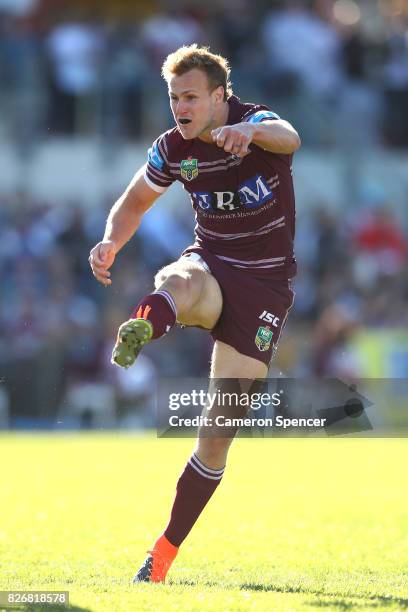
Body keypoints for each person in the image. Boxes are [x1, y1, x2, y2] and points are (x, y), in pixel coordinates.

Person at [89, 44, 300, 583]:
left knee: (217, 431)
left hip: (265, 286)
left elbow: (290, 136)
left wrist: (250, 134)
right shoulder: (172, 148)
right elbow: (135, 200)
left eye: (189, 97)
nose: (179, 107)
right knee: (178, 280)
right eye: (173, 97)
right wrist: (111, 241)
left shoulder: (256, 122)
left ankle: (162, 553)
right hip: (212, 263)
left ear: (218, 97)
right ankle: (143, 324)